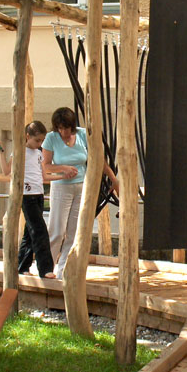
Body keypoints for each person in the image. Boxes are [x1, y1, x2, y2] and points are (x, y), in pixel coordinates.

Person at [42, 107, 118, 279]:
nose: (64, 132)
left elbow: (98, 159)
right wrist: (63, 168)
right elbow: (45, 166)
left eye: (67, 128)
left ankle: (64, 270)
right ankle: (46, 267)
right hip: (61, 187)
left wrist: (113, 179)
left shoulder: (83, 134)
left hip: (81, 186)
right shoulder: (51, 138)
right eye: (60, 128)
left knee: (74, 231)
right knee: (57, 230)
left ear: (72, 126)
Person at [0, 121, 57, 279]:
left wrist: (63, 176)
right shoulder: (19, 151)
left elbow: (43, 176)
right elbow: (6, 171)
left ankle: (22, 266)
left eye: (42, 141)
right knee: (40, 230)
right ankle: (45, 269)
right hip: (27, 196)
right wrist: (1, 152)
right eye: (37, 140)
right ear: (27, 136)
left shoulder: (39, 153)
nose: (40, 144)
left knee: (29, 233)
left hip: (39, 194)